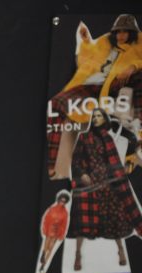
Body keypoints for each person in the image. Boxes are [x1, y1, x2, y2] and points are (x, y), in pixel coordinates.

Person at [46, 14, 142, 178]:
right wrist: (86, 41)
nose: (121, 35)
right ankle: (51, 164)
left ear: (132, 33)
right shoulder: (106, 41)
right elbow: (86, 59)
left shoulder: (138, 45)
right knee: (55, 103)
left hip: (115, 85)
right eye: (118, 32)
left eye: (125, 32)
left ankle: (138, 132)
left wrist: (133, 66)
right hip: (92, 84)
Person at [67, 106, 142, 271]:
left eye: (99, 116)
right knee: (83, 218)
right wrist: (83, 174)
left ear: (105, 120)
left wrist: (118, 177)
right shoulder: (83, 136)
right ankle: (78, 253)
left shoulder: (109, 138)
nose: (96, 119)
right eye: (94, 116)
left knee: (116, 214)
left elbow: (114, 162)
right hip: (89, 181)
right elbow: (76, 160)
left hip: (107, 180)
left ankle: (120, 250)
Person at [37, 190, 70, 273]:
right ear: (58, 200)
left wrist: (62, 234)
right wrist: (45, 228)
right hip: (49, 229)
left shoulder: (65, 213)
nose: (62, 202)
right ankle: (43, 253)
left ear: (66, 202)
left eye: (64, 201)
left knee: (51, 249)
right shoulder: (52, 209)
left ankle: (43, 266)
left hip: (57, 232)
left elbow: (64, 224)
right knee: (46, 246)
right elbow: (46, 219)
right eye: (61, 200)